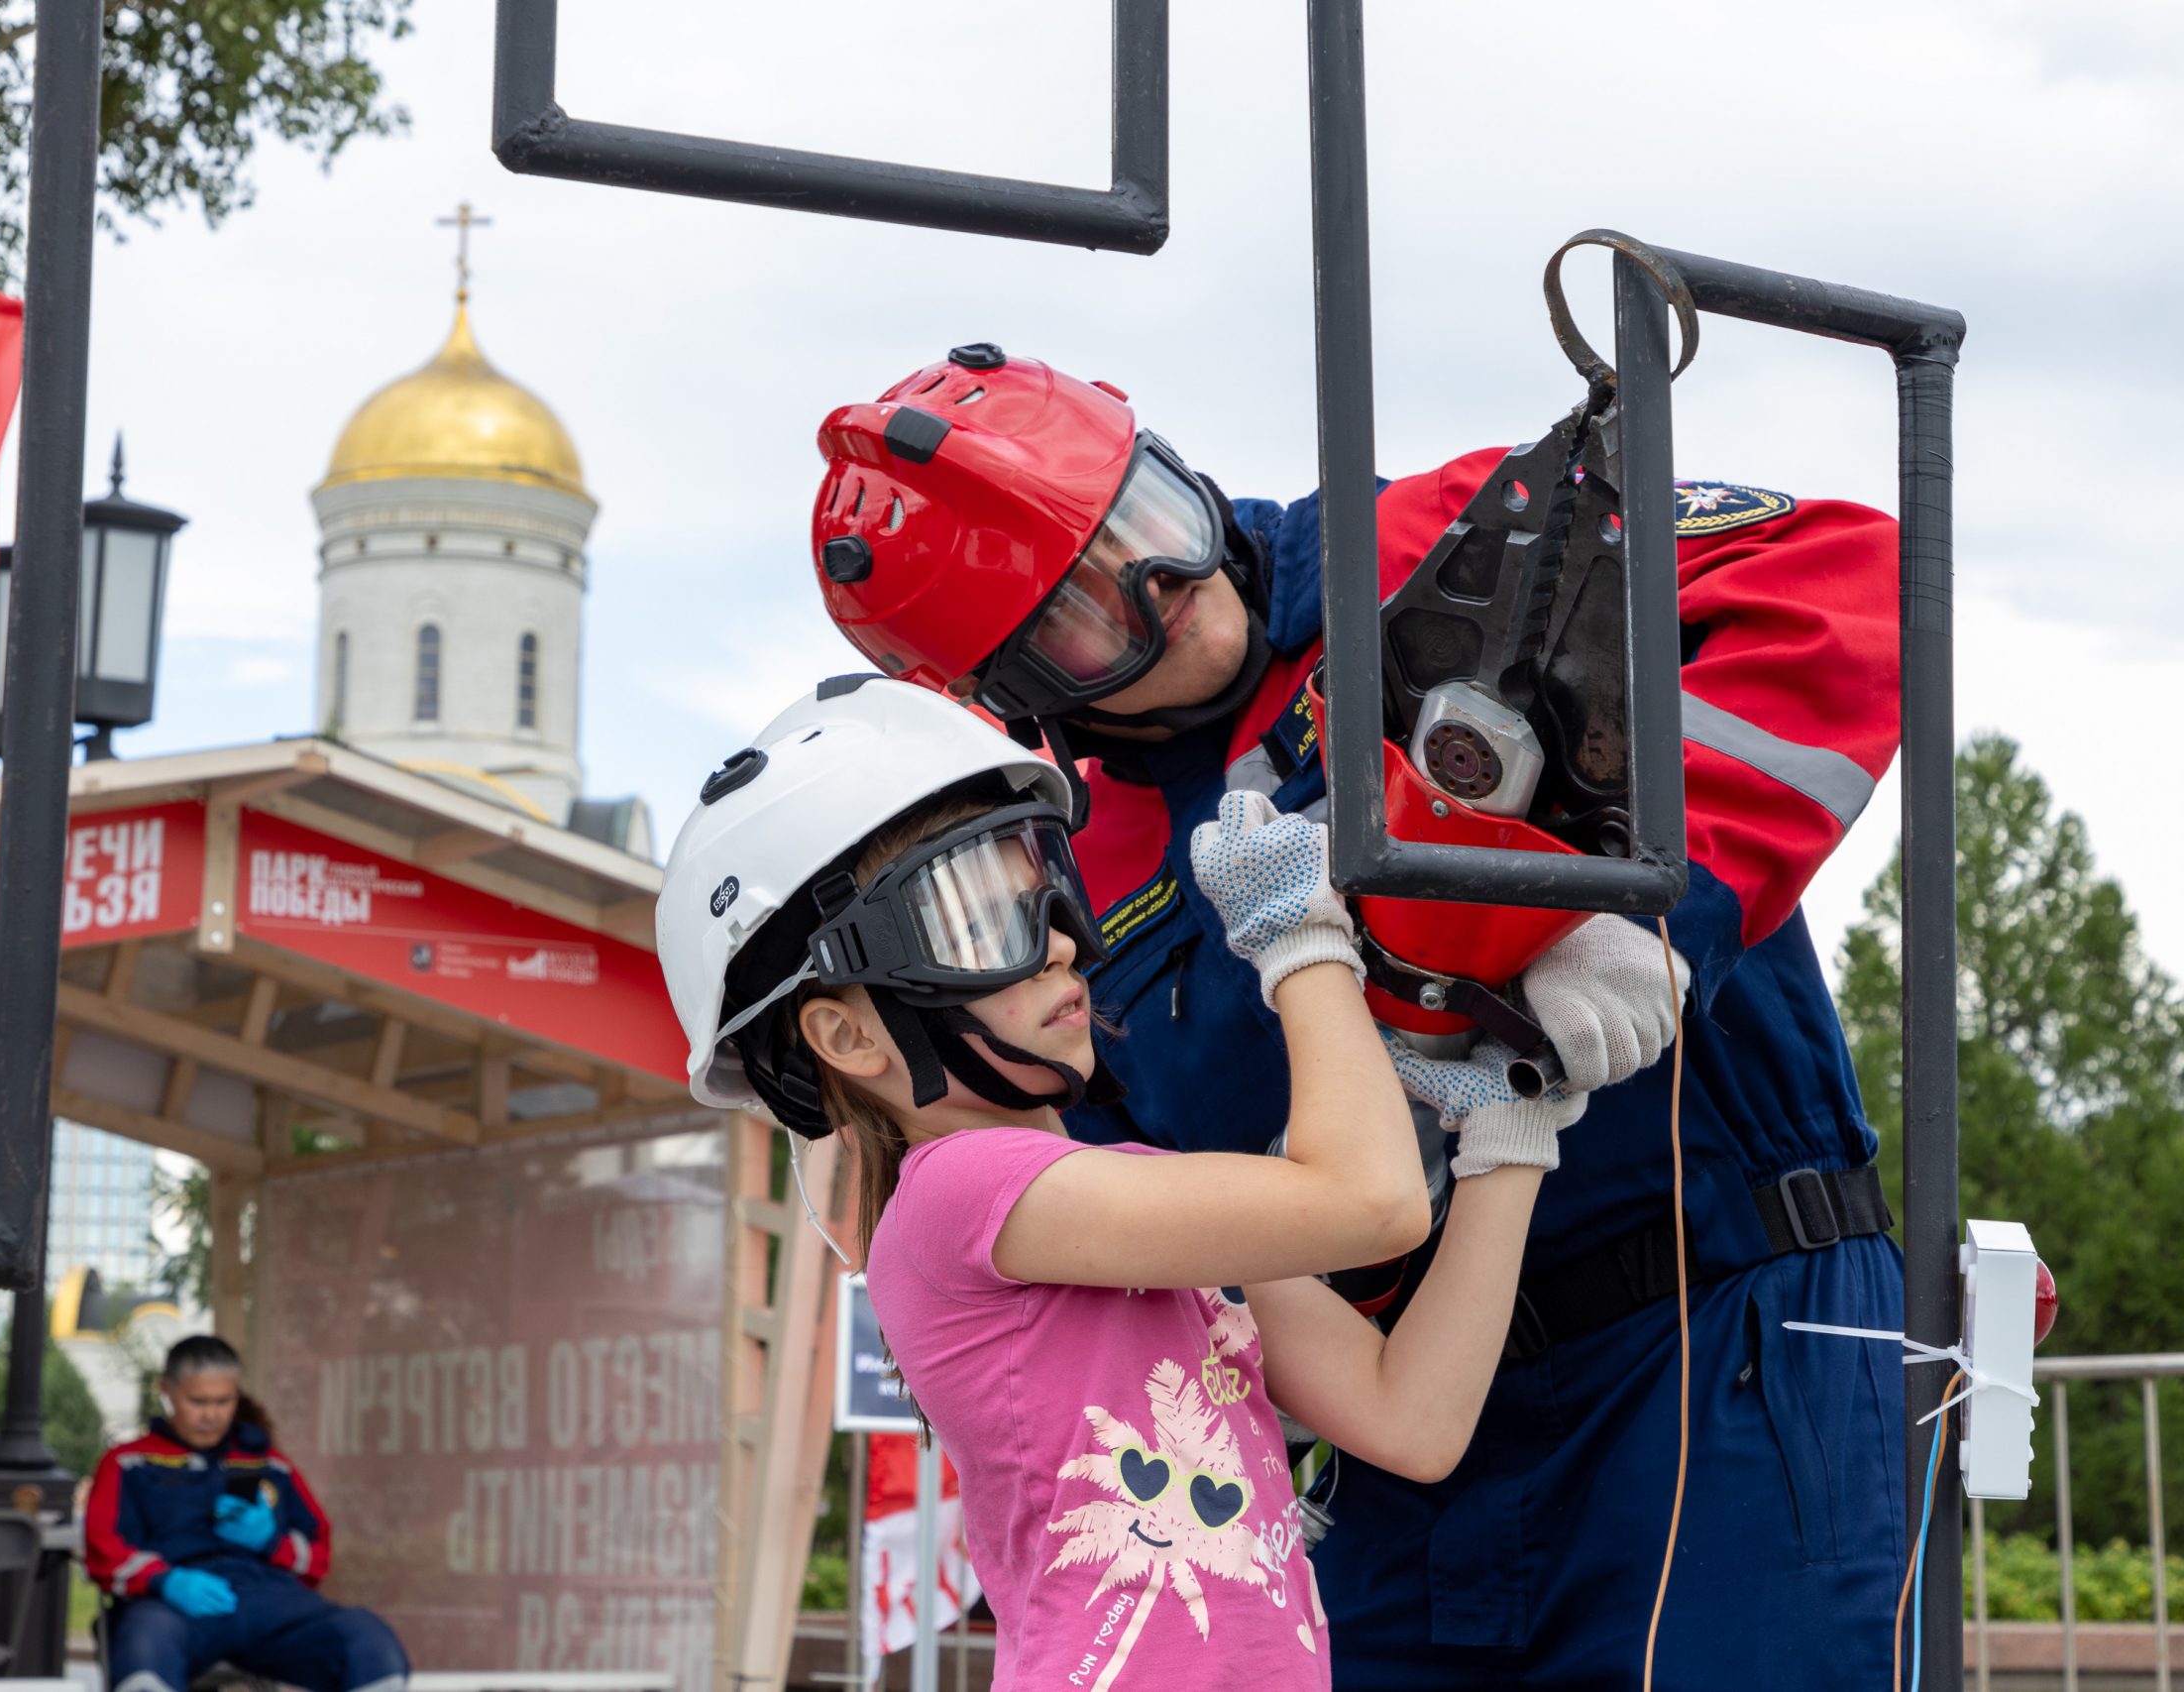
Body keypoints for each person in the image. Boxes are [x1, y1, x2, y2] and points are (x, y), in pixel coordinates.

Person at [807, 349, 1906, 1688]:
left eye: (1147, 524)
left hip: (1717, 1342)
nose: (1164, 590)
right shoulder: (1072, 881)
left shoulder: (1436, 541)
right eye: (1085, 614)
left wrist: (1663, 911)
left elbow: (1844, 579)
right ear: (1019, 692)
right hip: (1412, 1426)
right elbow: (1136, 1197)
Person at [659, 676, 1606, 1690]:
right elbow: (1371, 1201)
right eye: (976, 922)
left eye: (1043, 884)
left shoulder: (1134, 1210)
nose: (1061, 942)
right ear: (846, 1036)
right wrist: (1298, 936)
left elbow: (1411, 1420)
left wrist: (1512, 1126)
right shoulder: (956, 1192)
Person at [84, 1335, 408, 1692]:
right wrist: (164, 1580)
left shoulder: (270, 1464)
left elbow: (318, 1553)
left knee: (366, 1638)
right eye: (198, 1401)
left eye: (224, 1401)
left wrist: (272, 1542)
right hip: (173, 1604)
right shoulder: (128, 1463)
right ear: (167, 1391)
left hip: (270, 1602)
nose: (212, 1415)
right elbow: (102, 1548)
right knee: (144, 1648)